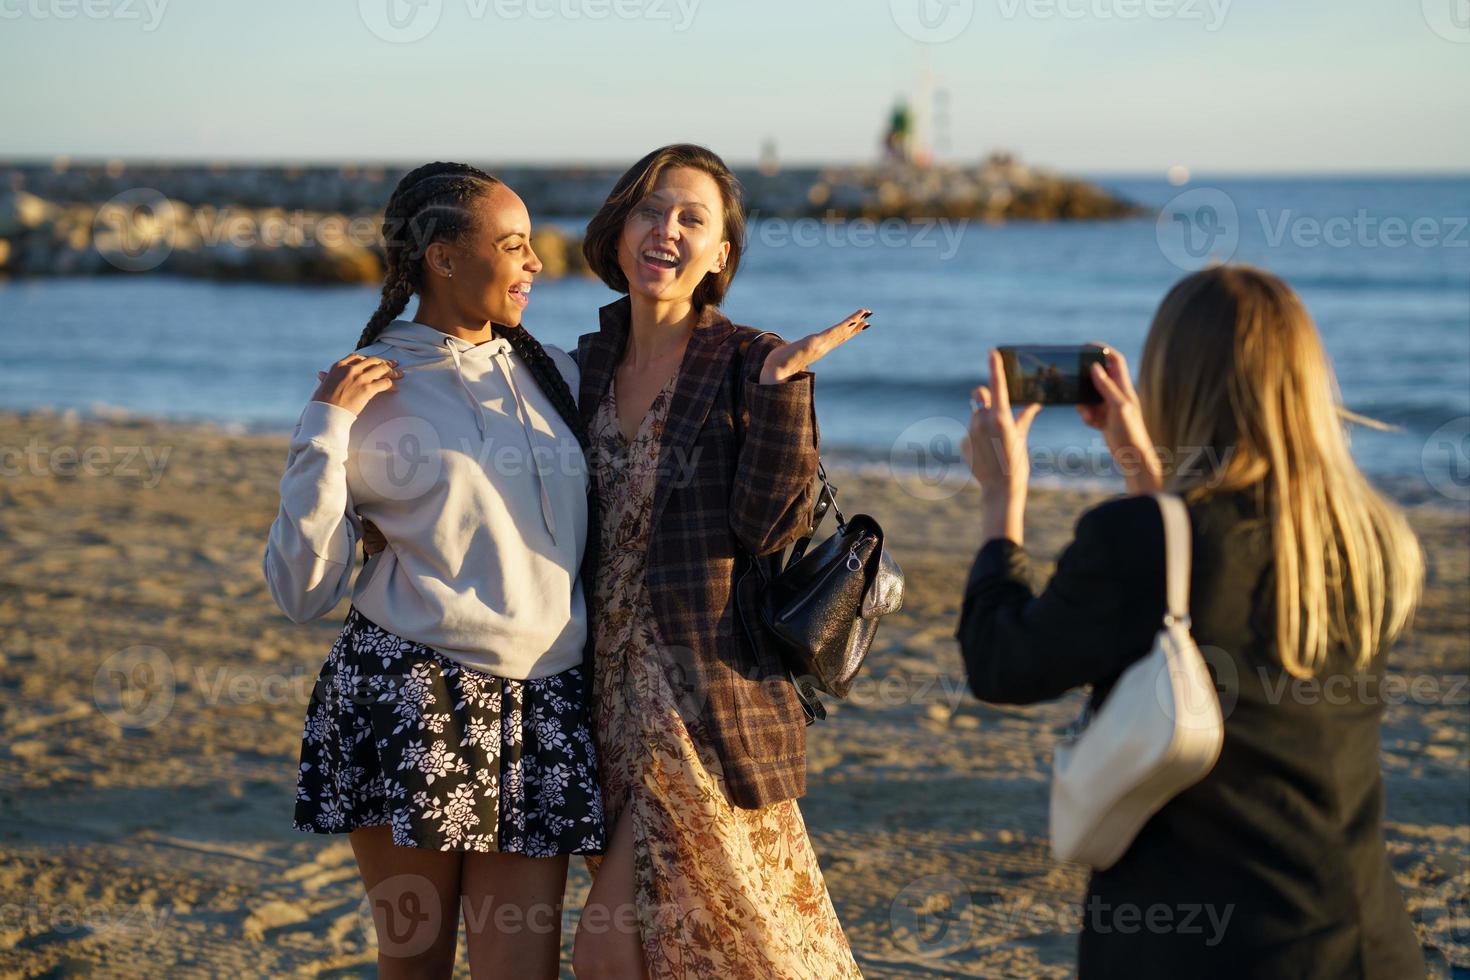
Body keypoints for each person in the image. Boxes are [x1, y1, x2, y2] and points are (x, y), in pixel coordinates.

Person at [955, 264, 1426, 979]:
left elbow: (1002, 663)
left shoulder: (1135, 540)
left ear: (1171, 377)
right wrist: (1144, 464)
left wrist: (1001, 504)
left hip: (1201, 949)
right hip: (1358, 938)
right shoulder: (1373, 538)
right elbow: (1211, 583)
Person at [264, 162, 602, 979]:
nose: (535, 264)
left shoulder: (557, 371)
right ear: (444, 258)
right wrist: (325, 428)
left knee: (521, 966)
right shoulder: (370, 385)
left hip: (547, 701)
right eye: (513, 245)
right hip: (417, 695)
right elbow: (301, 590)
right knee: (415, 959)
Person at [568, 143, 867, 979]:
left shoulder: (748, 361)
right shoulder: (585, 363)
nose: (667, 230)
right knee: (690, 944)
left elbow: (769, 530)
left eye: (692, 218)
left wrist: (781, 394)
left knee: (610, 947)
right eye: (650, 210)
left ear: (720, 256)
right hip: (599, 692)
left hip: (696, 696)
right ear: (620, 229)